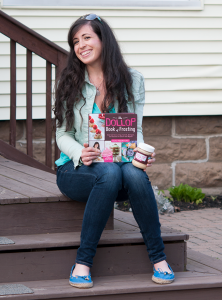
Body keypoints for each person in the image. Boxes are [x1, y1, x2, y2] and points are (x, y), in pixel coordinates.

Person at [54, 13, 174, 289]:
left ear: (103, 40)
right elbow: (63, 134)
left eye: (87, 37)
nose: (80, 45)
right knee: (108, 171)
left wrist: (141, 152)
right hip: (75, 172)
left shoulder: (132, 80)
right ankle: (83, 261)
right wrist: (78, 154)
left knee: (133, 173)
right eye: (75, 41)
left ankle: (159, 258)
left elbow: (135, 129)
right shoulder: (69, 83)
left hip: (117, 173)